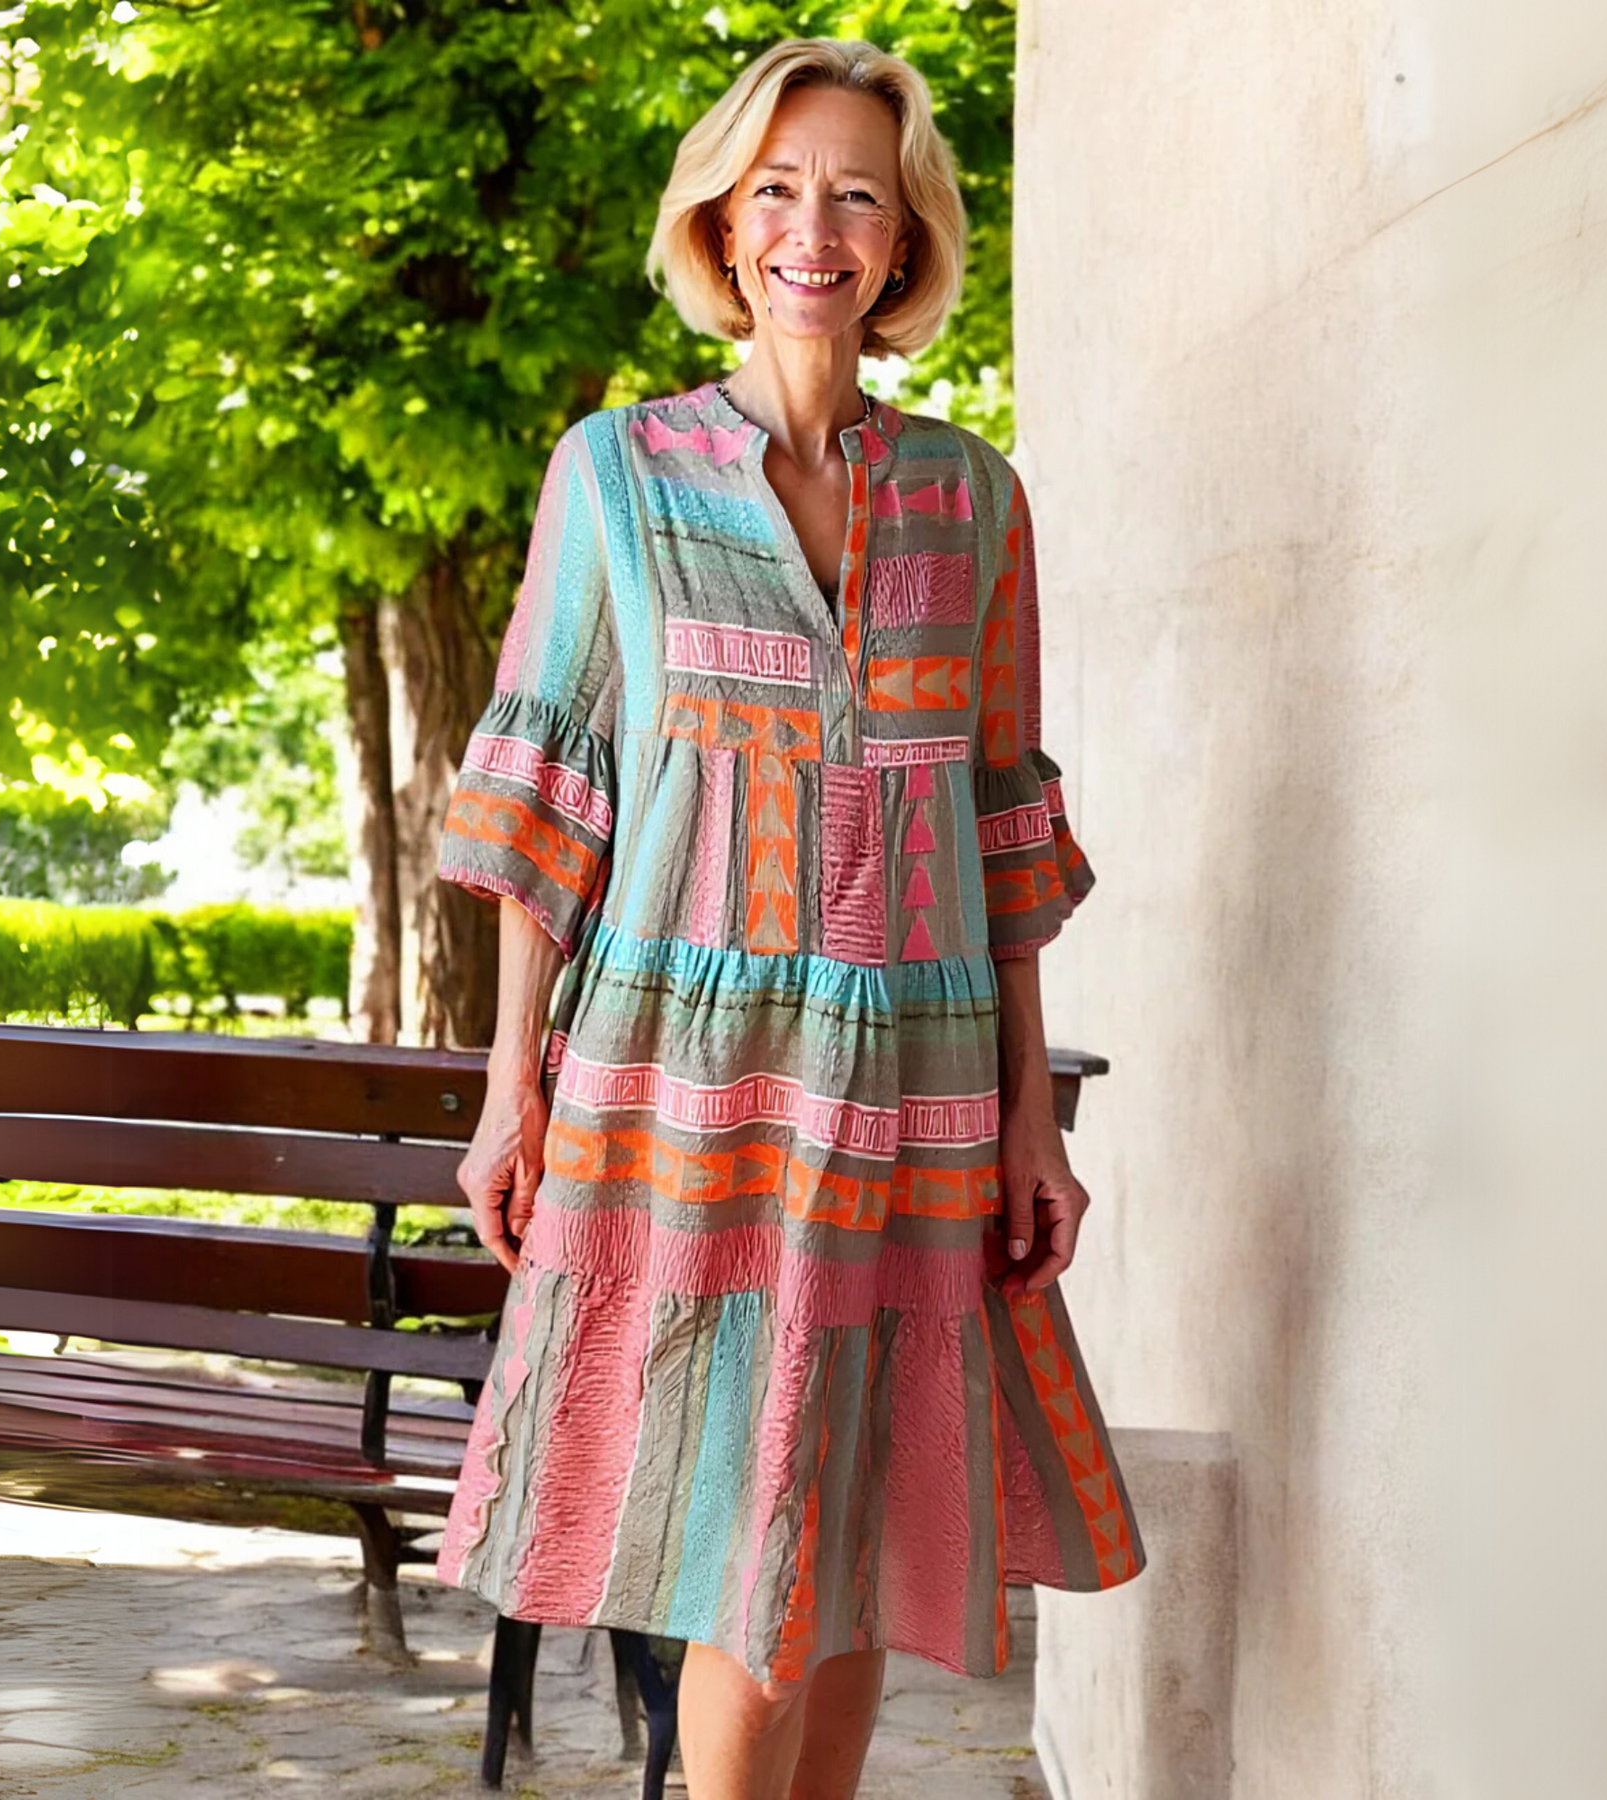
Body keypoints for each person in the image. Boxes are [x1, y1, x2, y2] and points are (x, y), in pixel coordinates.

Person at [434, 37, 1143, 1800]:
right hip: (686, 1079)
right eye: (776, 189)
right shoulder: (617, 472)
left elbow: (1000, 829)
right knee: (761, 1572)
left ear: (905, 241)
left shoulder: (974, 500)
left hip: (914, 1084)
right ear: (723, 226)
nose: (813, 228)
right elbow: (551, 791)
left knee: (857, 1556)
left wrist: (1033, 1115)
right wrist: (511, 1087)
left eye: (856, 195)